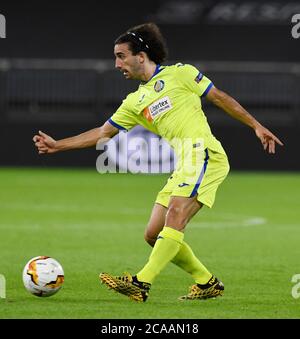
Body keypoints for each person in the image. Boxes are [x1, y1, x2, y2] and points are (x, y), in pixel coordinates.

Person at [33, 22, 283, 302]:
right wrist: (58, 145)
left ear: (141, 55)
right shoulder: (134, 101)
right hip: (183, 164)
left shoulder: (182, 74)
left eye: (121, 55)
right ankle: (206, 282)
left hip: (204, 155)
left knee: (175, 214)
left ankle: (141, 282)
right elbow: (102, 133)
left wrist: (255, 125)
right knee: (153, 234)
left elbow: (219, 98)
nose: (117, 64)